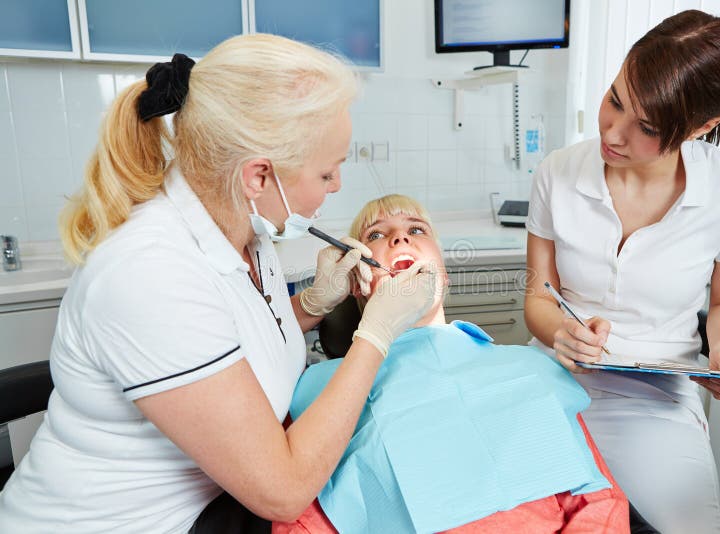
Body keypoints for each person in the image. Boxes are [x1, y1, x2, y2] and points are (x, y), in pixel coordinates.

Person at [0, 35, 439, 532]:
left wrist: (310, 306)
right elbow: (283, 492)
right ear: (258, 177)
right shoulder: (149, 275)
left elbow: (231, 341)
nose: (336, 185)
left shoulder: (245, 228)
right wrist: (375, 334)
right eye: (327, 172)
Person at [524, 10, 720, 534]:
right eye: (615, 99)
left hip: (654, 399)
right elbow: (539, 296)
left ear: (702, 127)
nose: (613, 133)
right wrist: (561, 333)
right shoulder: (557, 172)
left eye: (648, 127)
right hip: (550, 377)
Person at [273, 194, 630, 534]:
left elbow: (599, 501)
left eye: (416, 230)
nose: (400, 238)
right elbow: (302, 519)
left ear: (443, 275)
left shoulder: (531, 367)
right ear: (358, 284)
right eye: (377, 235)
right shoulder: (322, 389)